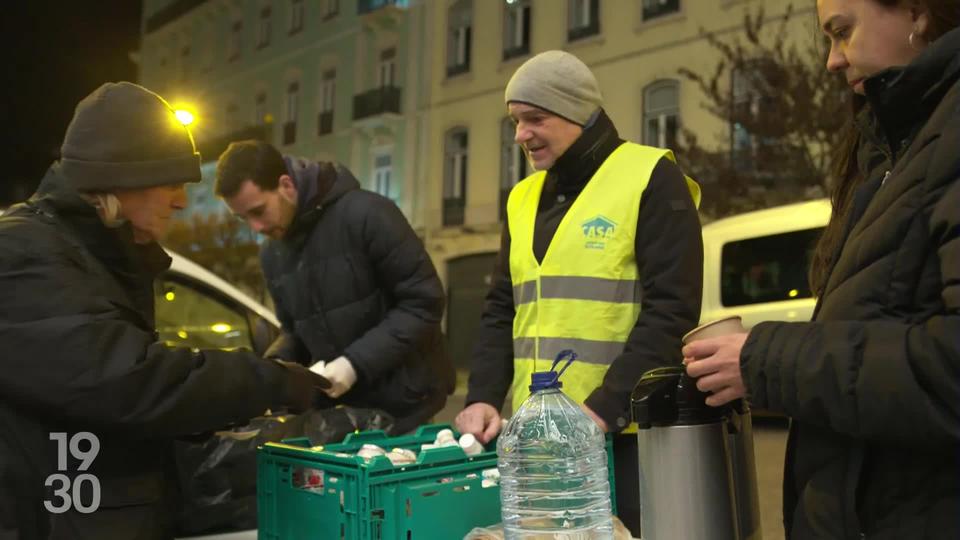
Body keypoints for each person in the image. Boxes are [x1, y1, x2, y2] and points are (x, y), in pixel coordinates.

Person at [0, 82, 329, 539]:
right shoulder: (23, 251)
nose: (180, 201)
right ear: (123, 178)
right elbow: (126, 381)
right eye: (171, 183)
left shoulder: (92, 252)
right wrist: (272, 380)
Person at [683, 1, 960, 537]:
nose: (832, 60)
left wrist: (766, 360)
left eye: (842, 32)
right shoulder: (896, 144)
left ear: (917, 13)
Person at [454, 50, 703, 534]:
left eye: (535, 119)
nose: (520, 135)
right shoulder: (522, 198)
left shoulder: (650, 176)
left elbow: (673, 311)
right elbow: (502, 307)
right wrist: (483, 396)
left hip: (628, 437)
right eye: (515, 121)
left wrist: (603, 410)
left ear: (577, 114)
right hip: (539, 441)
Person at [214, 140, 454, 436]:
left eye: (258, 211)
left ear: (286, 184)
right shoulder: (273, 253)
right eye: (243, 218)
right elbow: (293, 330)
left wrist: (354, 364)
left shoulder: (368, 214)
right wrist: (275, 369)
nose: (256, 228)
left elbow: (423, 302)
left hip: (405, 405)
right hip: (340, 414)